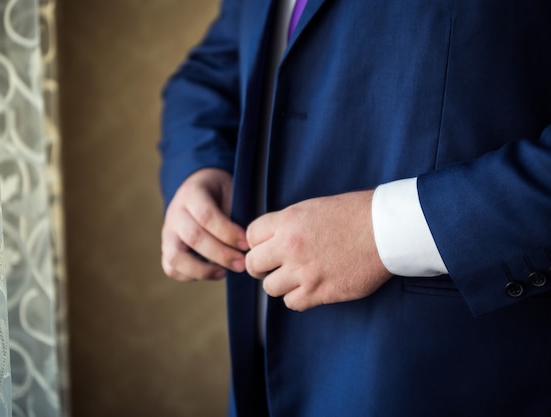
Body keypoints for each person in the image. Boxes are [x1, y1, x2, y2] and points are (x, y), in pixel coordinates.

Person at [158, 0, 551, 416]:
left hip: (448, 382)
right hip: (262, 382)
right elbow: (214, 68)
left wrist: (385, 231)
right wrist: (197, 166)